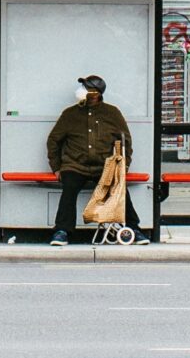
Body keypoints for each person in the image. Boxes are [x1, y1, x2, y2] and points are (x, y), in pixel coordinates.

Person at [46, 74, 149, 245]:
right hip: (75, 165)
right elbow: (53, 140)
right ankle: (62, 231)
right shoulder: (70, 114)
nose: (81, 91)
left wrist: (124, 166)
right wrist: (56, 167)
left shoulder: (112, 113)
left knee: (119, 190)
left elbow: (126, 141)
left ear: (95, 93)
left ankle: (133, 228)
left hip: (105, 166)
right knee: (69, 189)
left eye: (86, 88)